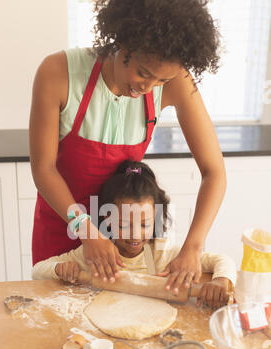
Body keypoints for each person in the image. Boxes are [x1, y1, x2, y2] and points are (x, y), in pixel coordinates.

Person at [29, 0, 226, 294]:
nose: (149, 87)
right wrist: (86, 230)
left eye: (163, 79)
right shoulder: (58, 72)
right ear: (123, 41)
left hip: (125, 235)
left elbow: (215, 172)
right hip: (64, 224)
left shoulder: (176, 83)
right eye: (144, 73)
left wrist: (193, 249)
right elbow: (43, 170)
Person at [32, 161, 236, 309]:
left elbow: (222, 260)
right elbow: (38, 271)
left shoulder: (162, 253)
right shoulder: (95, 256)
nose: (135, 235)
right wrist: (61, 269)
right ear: (106, 221)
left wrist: (221, 281)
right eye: (123, 225)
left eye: (145, 224)